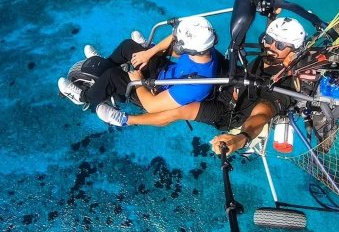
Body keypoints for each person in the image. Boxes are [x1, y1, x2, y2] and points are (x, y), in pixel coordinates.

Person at [96, 17, 307, 155]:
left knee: (181, 111)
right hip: (231, 78)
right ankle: (111, 63)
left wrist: (239, 139)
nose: (270, 46)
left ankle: (125, 120)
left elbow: (260, 116)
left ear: (294, 49)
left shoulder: (284, 89)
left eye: (279, 45)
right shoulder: (272, 55)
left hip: (229, 110)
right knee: (194, 46)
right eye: (268, 39)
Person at [58, 16, 219, 113]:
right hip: (164, 71)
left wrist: (140, 82)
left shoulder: (196, 86)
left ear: (184, 48)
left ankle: (83, 97)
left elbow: (152, 106)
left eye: (177, 42)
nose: (174, 41)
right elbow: (173, 41)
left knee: (112, 76)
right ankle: (105, 64)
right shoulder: (205, 51)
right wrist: (148, 53)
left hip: (154, 91)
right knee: (128, 46)